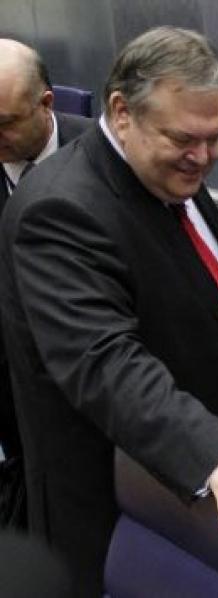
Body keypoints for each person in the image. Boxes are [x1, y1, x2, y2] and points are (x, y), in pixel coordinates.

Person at [0, 27, 218, 595]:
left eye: (215, 138)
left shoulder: (162, 164)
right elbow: (104, 361)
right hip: (127, 513)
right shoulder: (59, 209)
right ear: (122, 113)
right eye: (186, 139)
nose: (204, 157)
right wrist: (215, 451)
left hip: (198, 499)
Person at [0, 38, 90, 474]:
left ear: (46, 103)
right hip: (13, 391)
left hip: (96, 380)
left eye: (5, 123)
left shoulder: (106, 154)